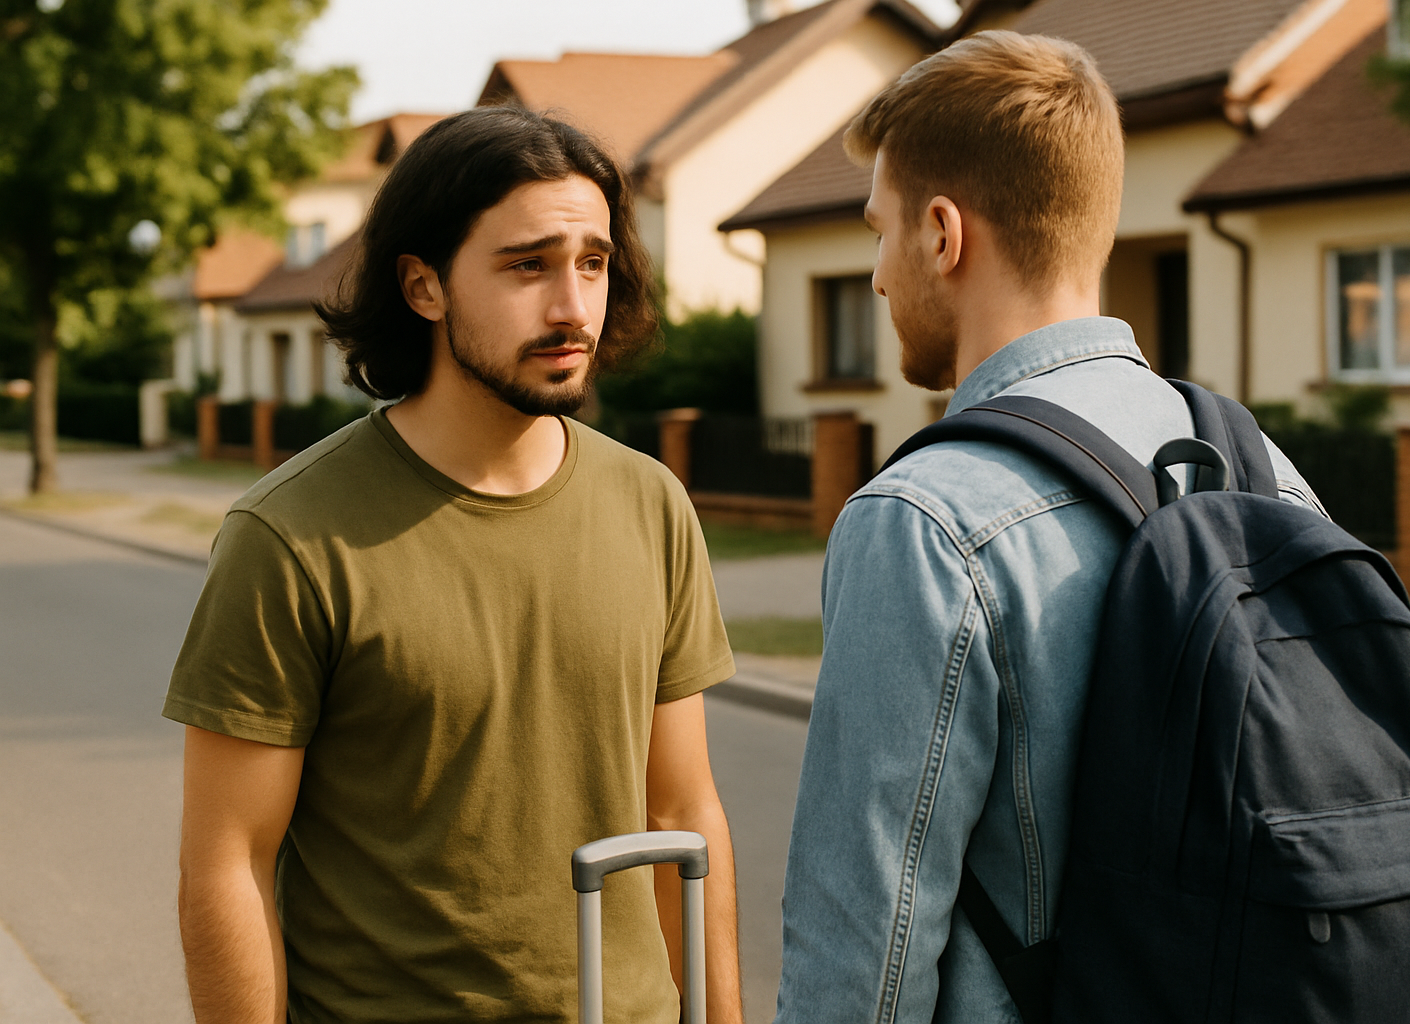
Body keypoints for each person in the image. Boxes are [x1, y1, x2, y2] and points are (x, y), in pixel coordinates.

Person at [774, 32, 1325, 1022]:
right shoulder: (1268, 473)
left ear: (941, 234)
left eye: (879, 231)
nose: (878, 277)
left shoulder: (925, 520)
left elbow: (862, 961)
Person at [166, 106, 743, 1024]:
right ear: (424, 286)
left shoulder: (652, 504)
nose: (573, 306)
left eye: (593, 263)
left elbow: (682, 812)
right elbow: (227, 861)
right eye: (528, 265)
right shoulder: (290, 536)